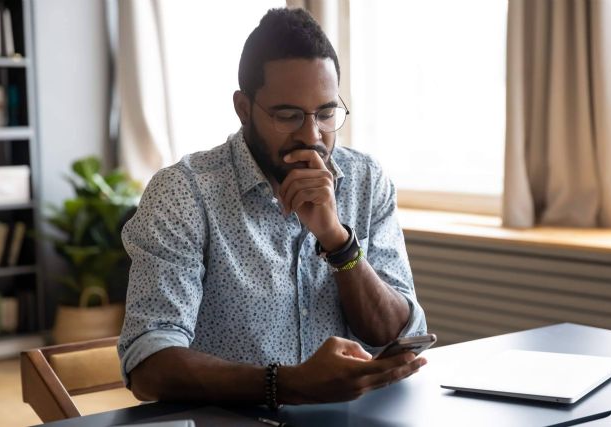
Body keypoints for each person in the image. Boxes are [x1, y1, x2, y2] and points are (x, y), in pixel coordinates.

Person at [118, 7, 427, 408]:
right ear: (244, 109)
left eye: (327, 113)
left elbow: (396, 334)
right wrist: (285, 384)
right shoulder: (184, 193)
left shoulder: (366, 181)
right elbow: (148, 363)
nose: (312, 136)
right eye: (288, 115)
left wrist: (338, 242)